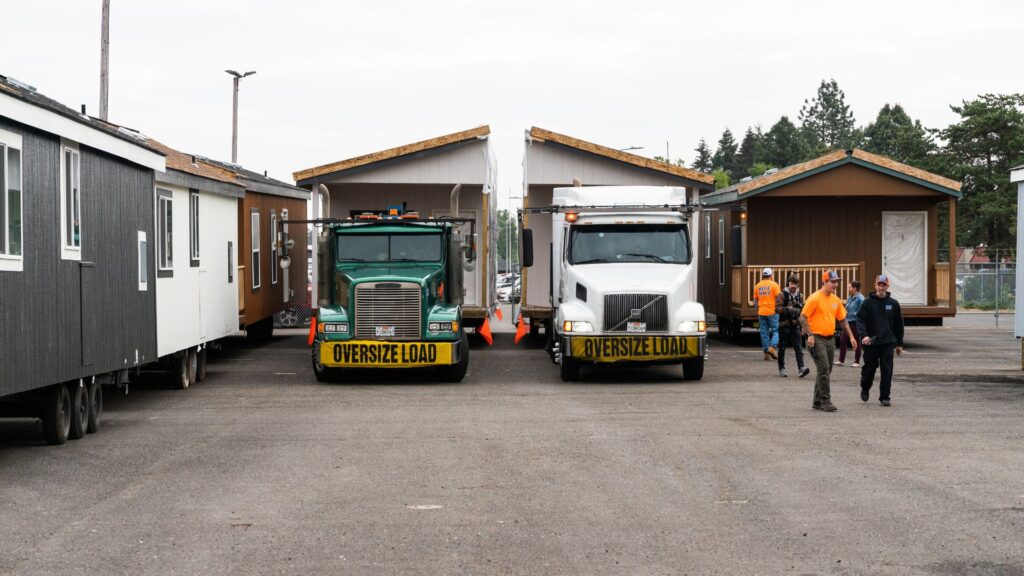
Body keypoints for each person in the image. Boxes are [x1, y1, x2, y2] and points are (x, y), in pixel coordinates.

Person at [800, 270, 857, 412]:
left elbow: (843, 320)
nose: (835, 284)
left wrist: (851, 336)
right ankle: (826, 400)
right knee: (824, 368)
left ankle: (817, 401)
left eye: (837, 282)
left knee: (826, 370)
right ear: (824, 282)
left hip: (830, 339)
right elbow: (802, 318)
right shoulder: (814, 298)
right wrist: (810, 335)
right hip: (816, 339)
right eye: (832, 281)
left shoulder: (835, 300)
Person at [858, 274, 905, 406]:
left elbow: (898, 324)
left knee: (887, 370)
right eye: (879, 284)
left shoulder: (893, 304)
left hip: (887, 342)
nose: (881, 287)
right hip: (871, 342)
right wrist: (864, 335)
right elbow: (860, 320)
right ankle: (865, 387)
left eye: (884, 285)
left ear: (888, 286)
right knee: (869, 369)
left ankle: (885, 397)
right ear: (875, 285)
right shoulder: (867, 302)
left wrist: (899, 343)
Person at [775, 275, 810, 378]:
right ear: (788, 283)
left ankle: (801, 368)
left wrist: (803, 326)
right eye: (791, 283)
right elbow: (777, 309)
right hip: (784, 325)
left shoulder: (800, 296)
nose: (793, 286)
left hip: (795, 326)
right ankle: (782, 368)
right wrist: (788, 309)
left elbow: (803, 312)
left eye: (795, 284)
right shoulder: (781, 295)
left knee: (798, 348)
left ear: (797, 285)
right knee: (782, 348)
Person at [753, 267, 781, 361]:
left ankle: (766, 352)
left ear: (763, 275)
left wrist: (757, 311)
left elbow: (755, 301)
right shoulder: (774, 285)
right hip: (773, 312)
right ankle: (772, 348)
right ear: (771, 275)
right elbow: (779, 298)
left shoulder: (757, 286)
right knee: (776, 331)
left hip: (762, 312)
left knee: (764, 332)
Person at [836, 280, 865, 367]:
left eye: (850, 287)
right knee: (842, 340)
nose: (848, 289)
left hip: (855, 323)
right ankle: (841, 361)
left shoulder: (860, 298)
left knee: (856, 341)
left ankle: (857, 361)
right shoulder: (849, 297)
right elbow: (847, 309)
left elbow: (862, 311)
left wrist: (854, 314)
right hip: (847, 322)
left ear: (855, 288)